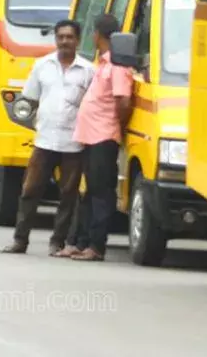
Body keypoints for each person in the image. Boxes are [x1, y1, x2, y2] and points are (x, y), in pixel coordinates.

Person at [0, 19, 94, 256]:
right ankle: (20, 240)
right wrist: (37, 124)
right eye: (60, 37)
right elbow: (29, 101)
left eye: (69, 37)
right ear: (55, 39)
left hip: (73, 143)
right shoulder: (42, 66)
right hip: (44, 141)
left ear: (77, 40)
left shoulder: (87, 71)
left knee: (68, 195)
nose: (64, 41)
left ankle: (58, 242)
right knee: (30, 191)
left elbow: (91, 107)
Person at [56, 14, 134, 262]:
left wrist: (115, 124)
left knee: (101, 193)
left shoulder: (119, 66)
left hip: (103, 136)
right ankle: (80, 242)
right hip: (91, 136)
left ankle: (97, 246)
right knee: (89, 193)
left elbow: (123, 100)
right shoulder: (104, 63)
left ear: (97, 35)